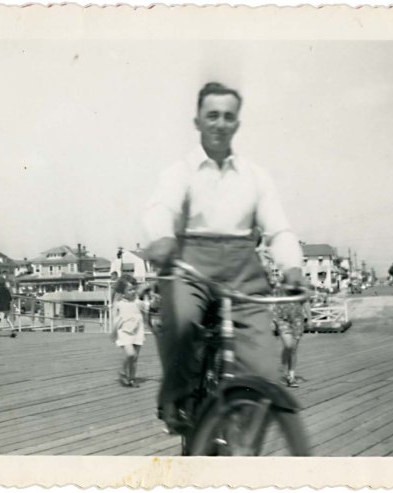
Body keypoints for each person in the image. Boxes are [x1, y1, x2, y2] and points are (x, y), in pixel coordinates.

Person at [143, 82, 304, 432]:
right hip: (192, 267)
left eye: (228, 116)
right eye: (211, 115)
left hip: (244, 271)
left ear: (237, 124)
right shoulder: (180, 172)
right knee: (183, 323)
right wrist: (163, 239)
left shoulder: (255, 176)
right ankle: (177, 397)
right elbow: (161, 208)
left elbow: (278, 228)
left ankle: (242, 439)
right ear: (197, 121)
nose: (219, 123)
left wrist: (292, 265)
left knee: (265, 370)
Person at [269, 266, 309, 388]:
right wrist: (271, 320)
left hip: (297, 318)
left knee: (293, 349)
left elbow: (305, 302)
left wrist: (310, 318)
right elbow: (272, 301)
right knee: (288, 345)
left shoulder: (300, 287)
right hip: (281, 317)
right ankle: (281, 369)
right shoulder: (278, 285)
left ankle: (291, 376)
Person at [111, 274, 146, 388]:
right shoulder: (119, 304)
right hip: (124, 331)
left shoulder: (138, 302)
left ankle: (131, 379)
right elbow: (115, 319)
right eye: (129, 290)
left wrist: (156, 301)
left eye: (134, 289)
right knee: (130, 353)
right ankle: (122, 371)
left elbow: (149, 307)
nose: (133, 292)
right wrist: (113, 332)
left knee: (135, 358)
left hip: (138, 331)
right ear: (123, 291)